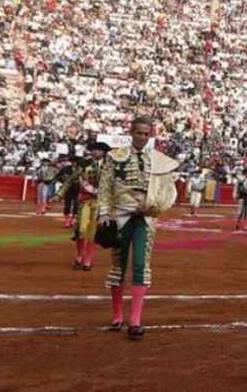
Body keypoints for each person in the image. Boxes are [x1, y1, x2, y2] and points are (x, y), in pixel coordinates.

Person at [97, 116, 180, 339]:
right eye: (139, 133)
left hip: (146, 218)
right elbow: (105, 187)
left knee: (141, 264)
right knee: (118, 266)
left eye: (146, 134)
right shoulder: (116, 157)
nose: (142, 137)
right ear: (131, 133)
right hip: (120, 216)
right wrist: (104, 213)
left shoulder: (158, 160)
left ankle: (135, 320)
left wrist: (155, 205)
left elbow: (165, 190)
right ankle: (117, 316)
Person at [67, 141, 109, 271]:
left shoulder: (110, 166)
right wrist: (59, 193)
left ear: (103, 152)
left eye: (98, 150)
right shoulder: (84, 164)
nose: (95, 152)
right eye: (93, 150)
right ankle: (80, 255)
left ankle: (87, 259)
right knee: (80, 230)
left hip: (100, 202)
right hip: (84, 201)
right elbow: (72, 179)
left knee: (92, 232)